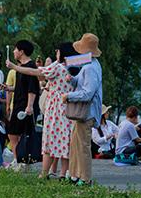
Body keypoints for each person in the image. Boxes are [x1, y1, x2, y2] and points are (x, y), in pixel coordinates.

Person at [9, 43, 75, 180]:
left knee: (49, 141)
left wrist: (15, 67)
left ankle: (44, 173)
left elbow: (36, 73)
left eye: (58, 50)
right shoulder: (73, 67)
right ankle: (63, 174)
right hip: (68, 107)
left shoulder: (57, 67)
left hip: (55, 108)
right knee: (65, 141)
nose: (56, 52)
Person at [62, 33, 103, 186]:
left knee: (83, 146)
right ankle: (74, 174)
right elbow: (80, 82)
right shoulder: (90, 65)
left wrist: (69, 96)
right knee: (75, 144)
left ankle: (85, 178)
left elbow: (88, 93)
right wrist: (72, 80)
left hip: (86, 113)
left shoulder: (90, 68)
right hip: (83, 113)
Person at [6, 40, 40, 166]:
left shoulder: (30, 67)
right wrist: (9, 89)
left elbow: (32, 88)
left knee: (19, 133)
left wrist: (30, 105)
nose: (14, 52)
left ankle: (21, 161)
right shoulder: (21, 68)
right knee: (13, 133)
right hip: (18, 103)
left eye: (16, 49)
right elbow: (22, 87)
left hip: (25, 106)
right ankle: (18, 160)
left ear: (21, 52)